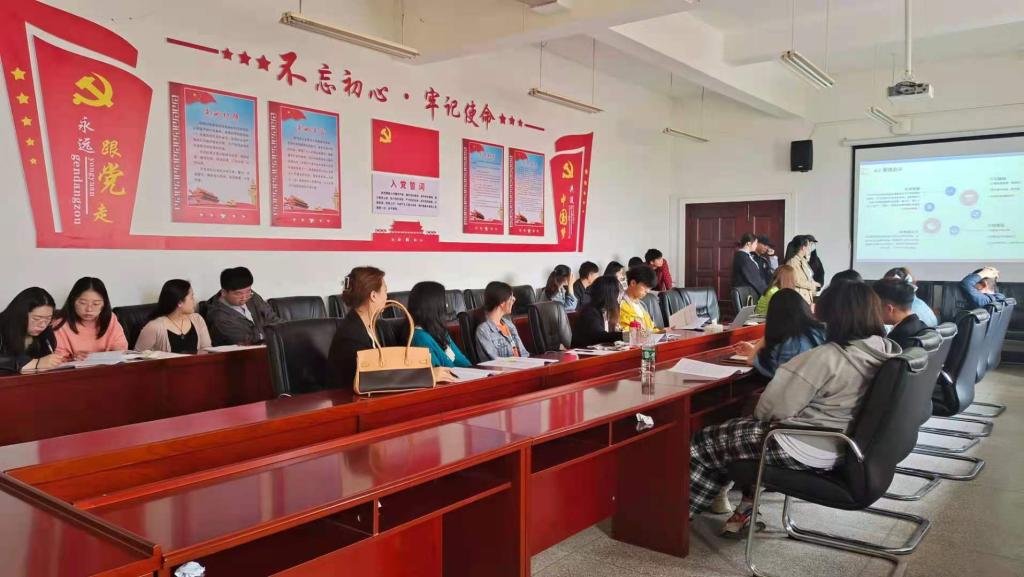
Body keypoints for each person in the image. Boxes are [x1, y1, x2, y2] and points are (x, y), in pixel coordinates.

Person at [691, 281, 899, 536]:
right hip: (847, 444)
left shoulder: (827, 357)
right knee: (731, 439)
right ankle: (742, 509)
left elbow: (768, 410)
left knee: (703, 442)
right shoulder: (885, 349)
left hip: (806, 444)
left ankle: (679, 517)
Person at [327, 267, 396, 389]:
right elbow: (372, 379)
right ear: (373, 296)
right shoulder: (350, 337)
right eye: (385, 291)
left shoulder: (372, 326)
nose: (387, 297)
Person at [736, 289, 825, 378]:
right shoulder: (819, 332)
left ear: (773, 316)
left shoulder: (786, 346)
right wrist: (753, 349)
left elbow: (751, 360)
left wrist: (768, 334)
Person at [53, 277, 128, 360]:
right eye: (83, 303)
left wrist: (115, 353)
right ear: (73, 301)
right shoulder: (60, 324)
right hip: (76, 368)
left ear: (104, 304)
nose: (89, 309)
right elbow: (56, 359)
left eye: (96, 304)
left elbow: (122, 349)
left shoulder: (110, 318)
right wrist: (72, 358)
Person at [205, 267, 281, 346]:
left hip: (270, 346)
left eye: (248, 291)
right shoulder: (218, 316)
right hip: (245, 351)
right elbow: (246, 341)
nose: (244, 297)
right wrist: (273, 335)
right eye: (238, 294)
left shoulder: (252, 296)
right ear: (224, 292)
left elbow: (273, 318)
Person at [0, 288, 66, 374]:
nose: (43, 325)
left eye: (48, 319)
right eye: (36, 319)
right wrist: (36, 363)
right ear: (20, 314)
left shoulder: (46, 331)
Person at [136, 280, 211, 354]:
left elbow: (207, 350)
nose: (194, 301)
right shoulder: (154, 327)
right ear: (179, 302)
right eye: (192, 297)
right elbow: (137, 357)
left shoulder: (197, 319)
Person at [408, 281, 471, 368]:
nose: (446, 305)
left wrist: (474, 371)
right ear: (433, 306)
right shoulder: (420, 338)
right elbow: (438, 372)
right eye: (443, 301)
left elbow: (463, 361)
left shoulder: (440, 331)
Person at [475, 281, 529, 360]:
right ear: (502, 302)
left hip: (522, 366)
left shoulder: (509, 325)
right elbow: (496, 361)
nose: (513, 301)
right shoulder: (483, 330)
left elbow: (524, 354)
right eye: (511, 298)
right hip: (504, 368)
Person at [874, 279, 929, 349]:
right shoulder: (921, 326)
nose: (873, 311)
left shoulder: (896, 340)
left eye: (874, 307)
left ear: (889, 309)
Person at [571, 276, 624, 348]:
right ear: (609, 294)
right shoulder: (589, 312)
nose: (619, 297)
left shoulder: (605, 310)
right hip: (585, 351)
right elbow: (600, 336)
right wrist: (624, 336)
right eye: (617, 293)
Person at [618, 266, 658, 331]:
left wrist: (663, 331)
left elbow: (650, 329)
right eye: (645, 287)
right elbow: (627, 332)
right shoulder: (621, 305)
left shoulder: (642, 304)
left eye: (649, 288)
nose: (647, 291)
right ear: (633, 283)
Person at [784, 235, 819, 304]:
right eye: (809, 245)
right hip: (800, 298)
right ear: (803, 247)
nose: (809, 248)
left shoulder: (803, 261)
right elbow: (796, 280)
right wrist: (812, 285)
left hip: (807, 297)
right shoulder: (793, 262)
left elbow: (808, 277)